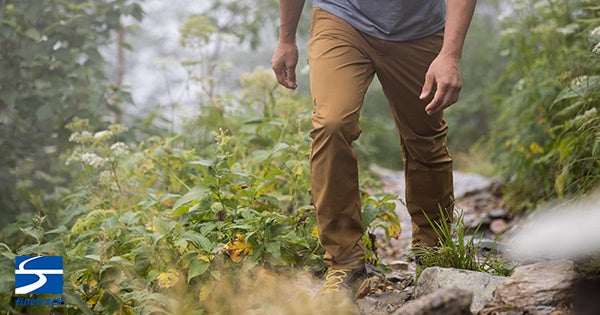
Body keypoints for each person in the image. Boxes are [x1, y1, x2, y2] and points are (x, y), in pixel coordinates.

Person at [272, 0, 476, 299]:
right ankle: (345, 263)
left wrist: (450, 54)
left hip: (419, 30)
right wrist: (286, 38)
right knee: (332, 124)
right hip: (341, 18)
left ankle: (434, 253)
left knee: (425, 139)